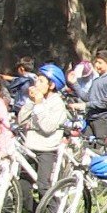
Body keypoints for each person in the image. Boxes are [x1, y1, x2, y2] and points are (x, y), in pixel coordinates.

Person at [19, 64, 69, 205]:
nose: (37, 84)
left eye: (41, 81)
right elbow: (21, 119)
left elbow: (48, 127)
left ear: (52, 85)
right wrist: (31, 101)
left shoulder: (57, 103)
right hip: (31, 147)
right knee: (23, 185)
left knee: (44, 187)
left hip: (47, 150)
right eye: (37, 80)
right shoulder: (37, 100)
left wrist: (39, 104)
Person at [68, 50, 107, 139]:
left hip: (102, 121)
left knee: (99, 148)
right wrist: (74, 83)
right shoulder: (97, 80)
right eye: (96, 62)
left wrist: (84, 106)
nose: (96, 65)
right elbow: (87, 97)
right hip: (90, 119)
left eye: (100, 63)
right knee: (85, 146)